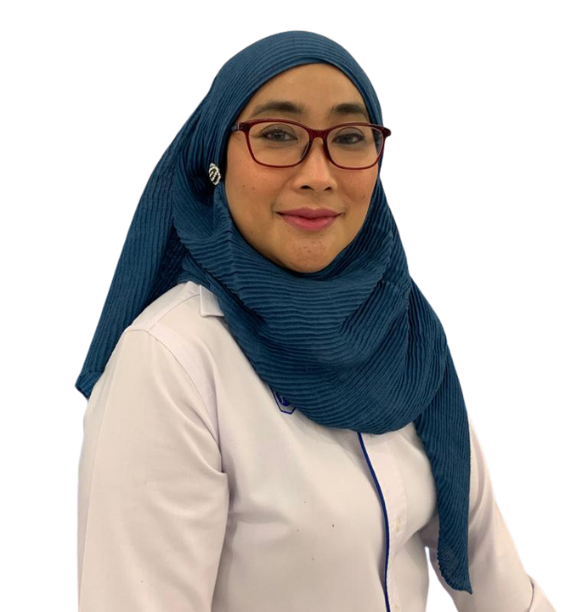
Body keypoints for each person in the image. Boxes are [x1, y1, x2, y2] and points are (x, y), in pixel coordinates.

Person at [75, 31, 557, 612]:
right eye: (278, 135)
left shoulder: (402, 332)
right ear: (214, 160)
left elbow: (496, 579)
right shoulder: (171, 360)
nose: (319, 175)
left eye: (350, 138)